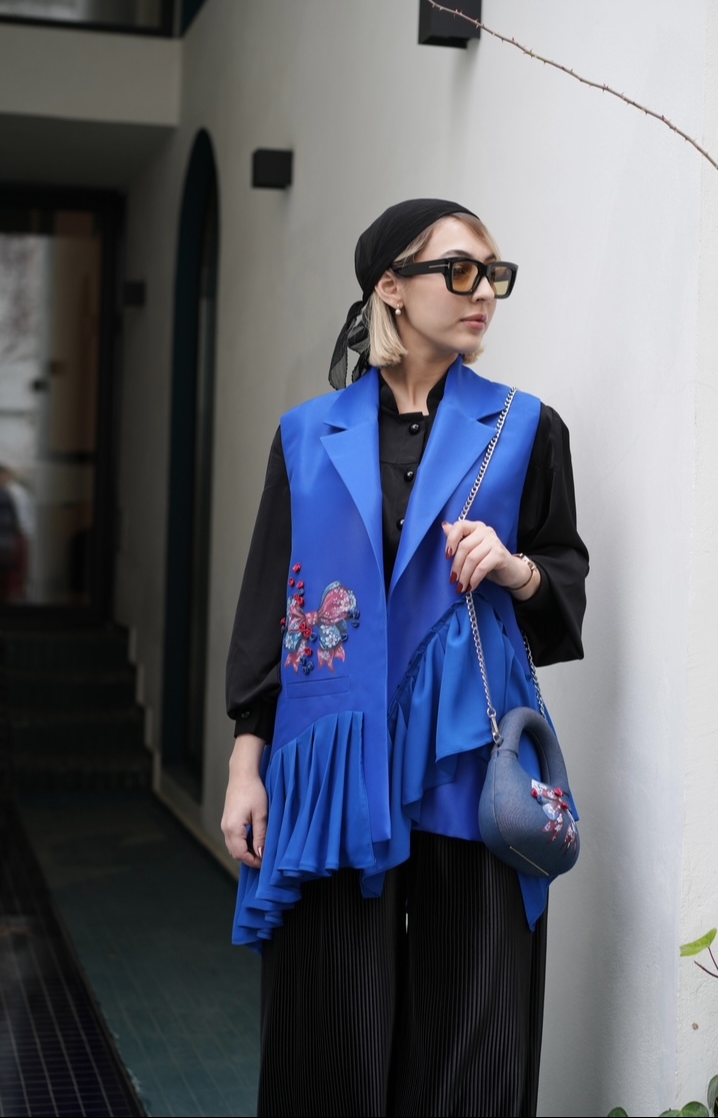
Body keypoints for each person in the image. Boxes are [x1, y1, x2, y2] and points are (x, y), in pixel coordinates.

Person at [221, 198, 589, 1118]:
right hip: (330, 761)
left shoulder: (525, 426)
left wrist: (513, 567)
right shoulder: (308, 434)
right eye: (459, 271)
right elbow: (270, 606)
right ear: (391, 285)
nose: (483, 293)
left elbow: (563, 585)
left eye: (494, 275)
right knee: (327, 1028)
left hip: (467, 757)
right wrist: (245, 764)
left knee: (474, 1026)